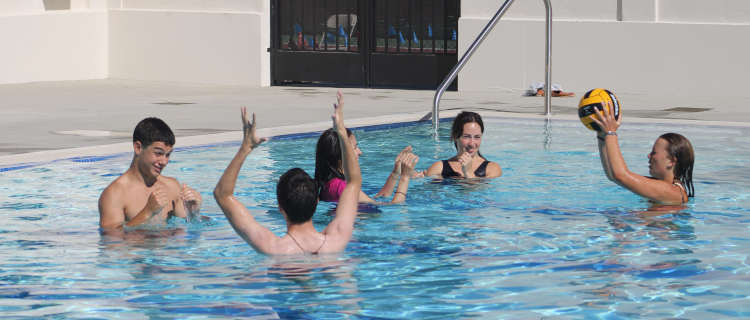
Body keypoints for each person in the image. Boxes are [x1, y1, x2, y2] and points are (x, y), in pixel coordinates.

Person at [213, 91, 361, 254]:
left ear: (280, 207)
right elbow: (353, 182)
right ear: (316, 202)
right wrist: (341, 132)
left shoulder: (271, 248)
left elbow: (222, 195)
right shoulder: (337, 240)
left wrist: (245, 149)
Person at [98, 118, 203, 229]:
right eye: (158, 153)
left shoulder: (171, 187)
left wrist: (193, 214)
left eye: (168, 155)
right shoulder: (115, 193)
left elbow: (188, 229)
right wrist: (148, 212)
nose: (164, 161)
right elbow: (111, 237)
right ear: (138, 148)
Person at [590, 101, 694, 205]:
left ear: (671, 161)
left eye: (654, 152)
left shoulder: (672, 192)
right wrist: (602, 136)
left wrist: (610, 132)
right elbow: (613, 176)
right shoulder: (660, 185)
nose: (649, 155)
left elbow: (620, 176)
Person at [314, 129, 418, 204]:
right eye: (355, 148)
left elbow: (375, 201)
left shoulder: (331, 185)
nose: (360, 152)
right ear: (341, 153)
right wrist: (405, 178)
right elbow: (393, 209)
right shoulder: (343, 187)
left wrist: (396, 172)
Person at [412, 111, 502, 179]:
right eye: (466, 136)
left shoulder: (492, 169)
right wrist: (419, 180)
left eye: (477, 137)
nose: (472, 143)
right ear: (455, 136)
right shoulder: (439, 168)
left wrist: (468, 171)